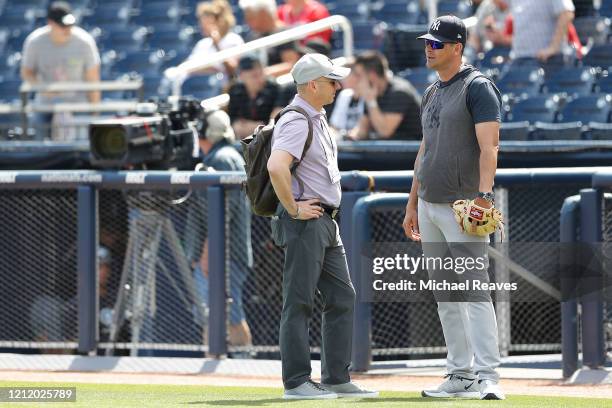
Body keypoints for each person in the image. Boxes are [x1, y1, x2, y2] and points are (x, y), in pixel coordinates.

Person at [403, 16, 505, 400]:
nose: (429, 48)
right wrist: (412, 201)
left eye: (437, 43)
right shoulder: (432, 91)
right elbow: (425, 149)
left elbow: (490, 147)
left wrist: (484, 196)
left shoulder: (478, 87)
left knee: (474, 290)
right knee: (446, 294)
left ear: (457, 47)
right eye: (428, 42)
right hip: (429, 203)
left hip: (463, 204)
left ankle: (488, 376)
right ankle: (460, 374)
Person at [267, 53, 377, 399]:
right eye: (331, 81)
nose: (337, 86)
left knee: (342, 295)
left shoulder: (316, 115)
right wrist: (293, 209)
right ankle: (297, 382)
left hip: (325, 221)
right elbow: (276, 166)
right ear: (312, 84)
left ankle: (335, 378)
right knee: (299, 302)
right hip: (307, 222)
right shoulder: (297, 118)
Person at [187, 109, 254, 349]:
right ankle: (215, 363)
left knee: (230, 317)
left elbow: (224, 212)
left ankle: (244, 366)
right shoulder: (223, 155)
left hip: (223, 256)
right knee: (212, 318)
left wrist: (207, 254)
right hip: (222, 254)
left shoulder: (222, 158)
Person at [21, 1, 101, 140]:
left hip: (78, 102)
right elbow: (26, 72)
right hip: (46, 103)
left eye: (70, 25)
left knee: (83, 142)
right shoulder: (35, 42)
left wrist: (94, 111)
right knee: (39, 140)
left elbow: (93, 78)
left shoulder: (84, 42)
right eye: (62, 26)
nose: (67, 29)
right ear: (50, 23)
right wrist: (42, 87)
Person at [349, 51, 422, 140]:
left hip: (412, 149)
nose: (355, 80)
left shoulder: (399, 92)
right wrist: (349, 136)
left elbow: (384, 132)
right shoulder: (372, 94)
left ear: (372, 76)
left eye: (358, 75)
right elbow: (362, 130)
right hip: (389, 149)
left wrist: (371, 101)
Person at [506, 0, 576, 72]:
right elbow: (502, 4)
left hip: (547, 61)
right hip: (518, 58)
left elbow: (567, 13)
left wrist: (553, 48)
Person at [187, 0, 244, 82]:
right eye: (202, 22)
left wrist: (217, 45)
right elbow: (187, 67)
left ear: (219, 21)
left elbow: (232, 70)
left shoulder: (234, 40)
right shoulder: (202, 44)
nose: (203, 25)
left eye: (208, 22)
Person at [227, 55, 279, 139]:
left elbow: (275, 121)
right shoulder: (235, 90)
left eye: (261, 73)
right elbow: (232, 117)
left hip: (268, 138)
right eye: (254, 76)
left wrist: (259, 126)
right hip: (243, 138)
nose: (260, 79)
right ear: (241, 76)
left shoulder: (273, 88)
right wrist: (237, 125)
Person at [239, 0, 285, 65]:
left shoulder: (284, 34)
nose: (247, 22)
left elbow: (291, 64)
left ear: (264, 14)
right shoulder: (252, 37)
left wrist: (262, 74)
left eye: (251, 18)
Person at [329, 66, 364, 138]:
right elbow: (335, 126)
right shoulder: (344, 94)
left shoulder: (368, 95)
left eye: (346, 75)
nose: (341, 80)